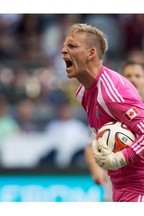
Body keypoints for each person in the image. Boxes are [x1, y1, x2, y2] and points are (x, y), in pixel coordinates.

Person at [61, 23, 144, 202]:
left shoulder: (112, 91)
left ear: (91, 53)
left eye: (72, 46)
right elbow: (96, 138)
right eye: (64, 45)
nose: (63, 50)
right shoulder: (82, 93)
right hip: (118, 186)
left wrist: (121, 157)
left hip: (138, 188)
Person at [84, 60, 144, 201]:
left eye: (137, 75)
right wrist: (96, 169)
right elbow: (90, 144)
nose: (132, 79)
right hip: (115, 181)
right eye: (128, 75)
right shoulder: (108, 108)